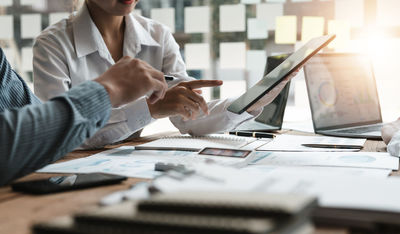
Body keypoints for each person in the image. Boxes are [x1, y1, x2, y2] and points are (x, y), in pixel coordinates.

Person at [33, 0, 295, 149]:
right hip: (74, 174)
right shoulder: (52, 44)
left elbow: (187, 117)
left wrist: (250, 102)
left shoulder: (158, 35)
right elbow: (59, 134)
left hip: (131, 167)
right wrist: (150, 109)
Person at [0, 47, 167, 185]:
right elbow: (57, 137)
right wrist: (106, 91)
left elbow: (53, 138)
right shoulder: (52, 44)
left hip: (58, 184)